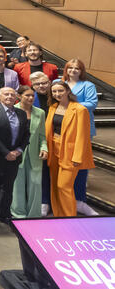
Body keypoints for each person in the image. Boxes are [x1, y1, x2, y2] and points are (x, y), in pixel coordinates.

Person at [45, 81, 94, 218]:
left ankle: (69, 218)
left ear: (67, 91)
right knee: (54, 185)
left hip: (70, 152)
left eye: (60, 90)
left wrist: (77, 157)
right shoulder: (53, 107)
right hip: (53, 148)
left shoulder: (80, 109)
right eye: (54, 91)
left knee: (64, 186)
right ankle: (58, 216)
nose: (57, 94)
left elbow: (82, 136)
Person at [0, 87, 29, 227]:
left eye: (12, 94)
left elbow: (26, 134)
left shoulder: (21, 113)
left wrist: (18, 151)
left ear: (16, 98)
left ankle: (4, 214)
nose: (9, 96)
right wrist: (5, 152)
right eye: (6, 94)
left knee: (8, 187)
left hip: (14, 157)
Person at [62, 58, 98, 215]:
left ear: (82, 70)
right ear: (66, 69)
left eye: (77, 68)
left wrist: (71, 107)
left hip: (81, 128)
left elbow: (92, 103)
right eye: (70, 68)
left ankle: (80, 200)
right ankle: (62, 198)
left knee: (80, 163)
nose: (73, 71)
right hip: (62, 128)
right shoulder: (59, 82)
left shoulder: (88, 85)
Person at [10, 86, 49, 219]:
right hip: (17, 153)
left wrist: (44, 148)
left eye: (33, 95)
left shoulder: (40, 112)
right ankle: (18, 214)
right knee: (18, 185)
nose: (31, 98)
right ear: (19, 96)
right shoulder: (13, 110)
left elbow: (42, 135)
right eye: (27, 95)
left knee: (36, 185)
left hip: (35, 154)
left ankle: (34, 215)